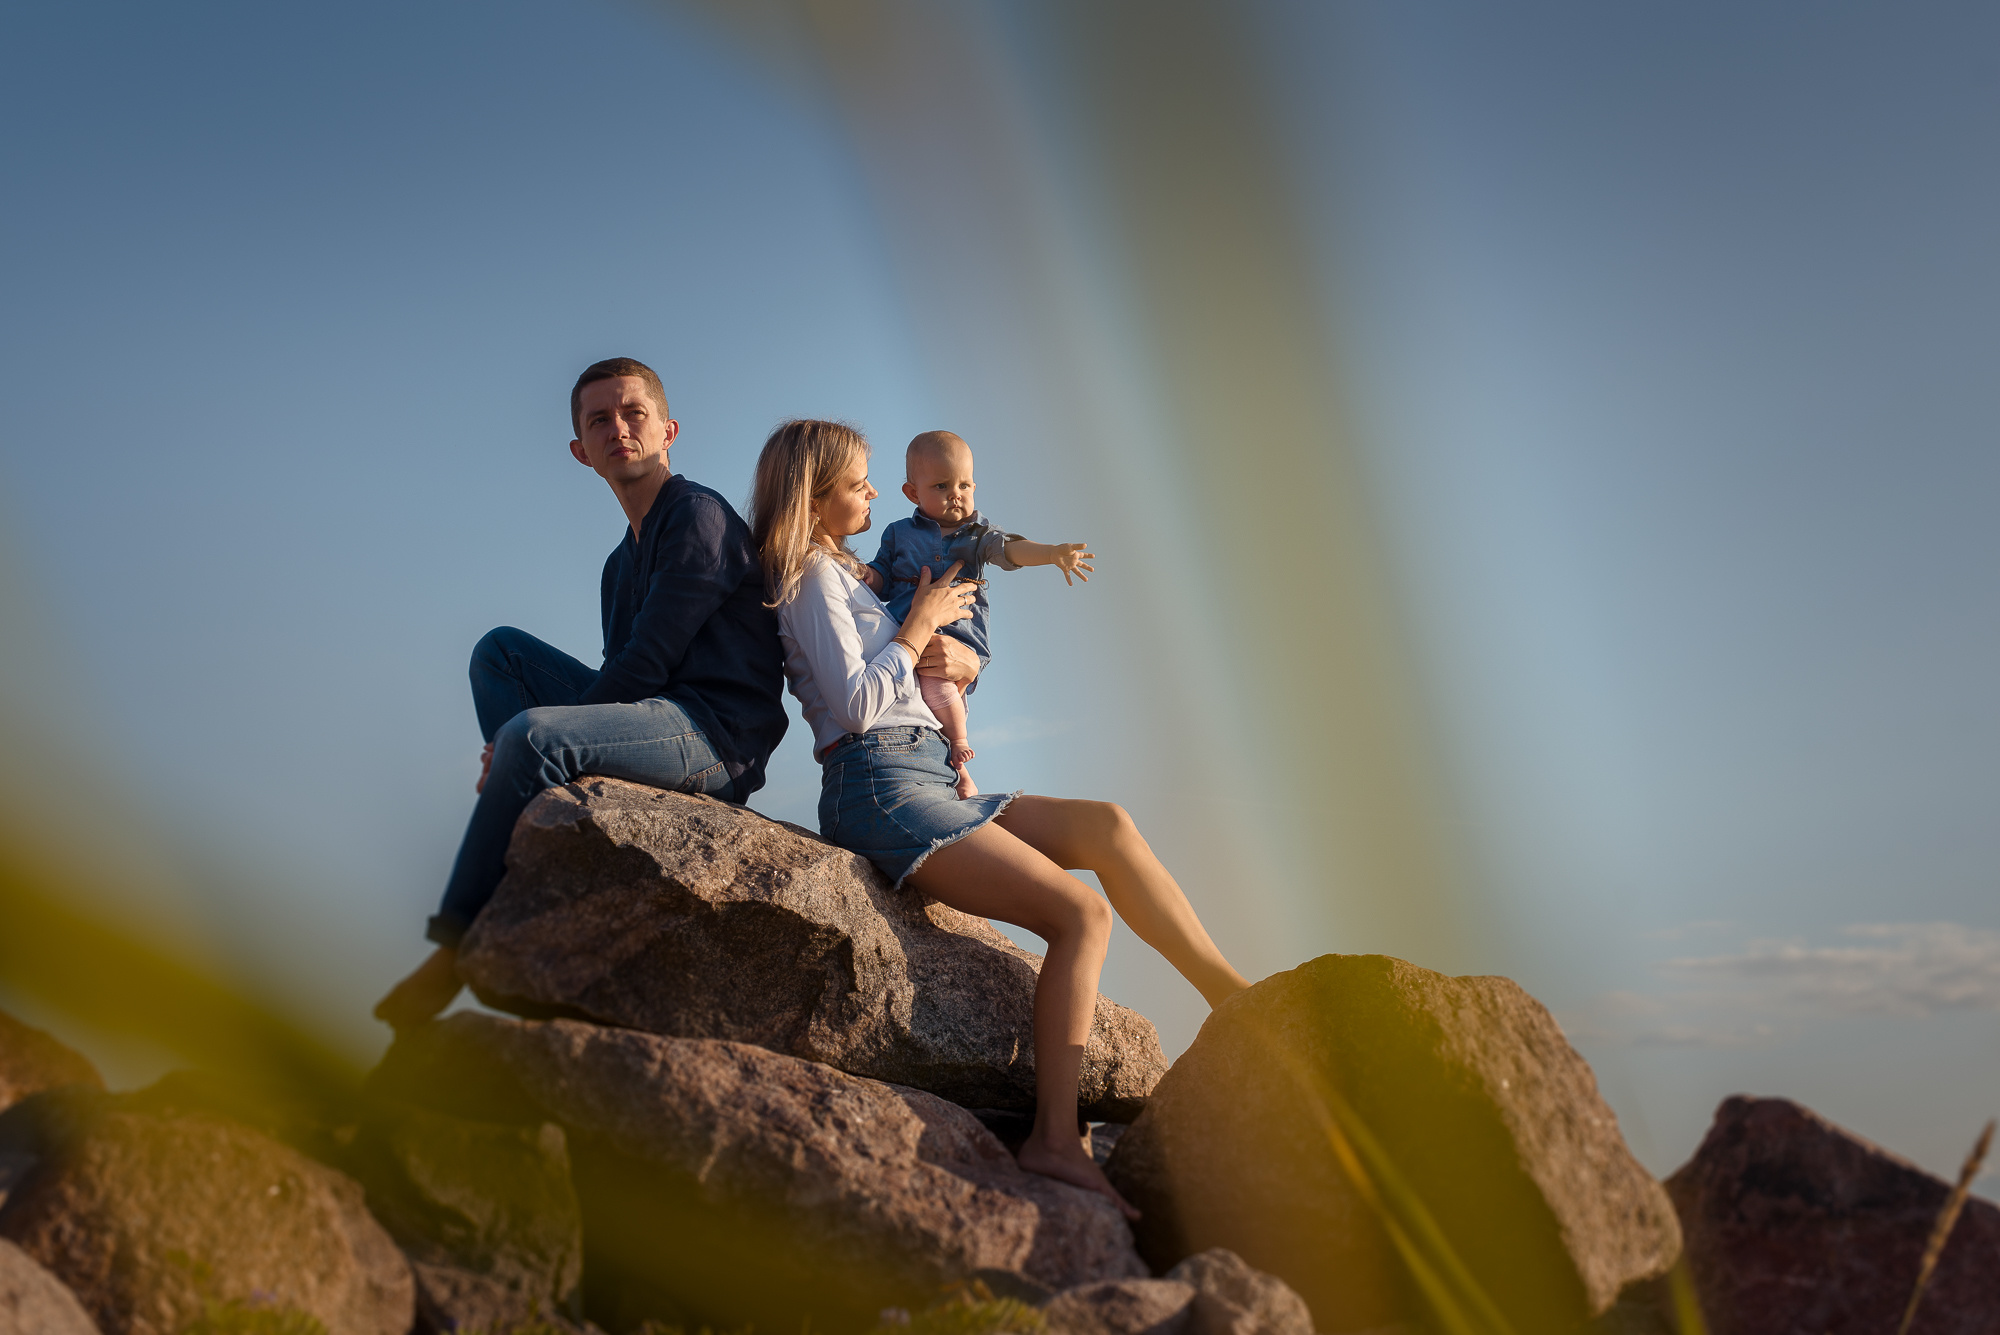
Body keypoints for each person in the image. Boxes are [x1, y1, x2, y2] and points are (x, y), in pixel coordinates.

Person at [752, 418, 1249, 1214]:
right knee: (1080, 914)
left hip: (925, 772)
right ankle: (1056, 1139)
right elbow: (853, 704)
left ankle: (1233, 997)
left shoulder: (850, 574)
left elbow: (916, 669)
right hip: (877, 781)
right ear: (814, 498)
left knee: (1108, 826)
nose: (874, 494)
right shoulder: (810, 576)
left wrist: (960, 655)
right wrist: (918, 628)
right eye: (858, 483)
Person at [373, 358, 789, 1029]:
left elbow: (647, 663)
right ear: (580, 450)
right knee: (499, 652)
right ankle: (534, 804)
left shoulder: (698, 516)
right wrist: (518, 741)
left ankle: (455, 944)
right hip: (652, 716)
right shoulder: (617, 565)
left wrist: (528, 736)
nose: (618, 428)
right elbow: (621, 675)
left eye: (633, 414)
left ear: (668, 430)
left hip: (713, 737)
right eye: (599, 420)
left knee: (533, 735)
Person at [861, 430, 1092, 798]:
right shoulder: (897, 533)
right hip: (906, 633)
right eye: (941, 485)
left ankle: (960, 752)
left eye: (965, 485)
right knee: (903, 696)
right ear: (913, 493)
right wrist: (867, 575)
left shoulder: (976, 534)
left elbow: (1010, 550)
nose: (957, 494)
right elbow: (883, 577)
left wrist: (1050, 553)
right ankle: (950, 774)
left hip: (955, 636)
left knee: (939, 686)